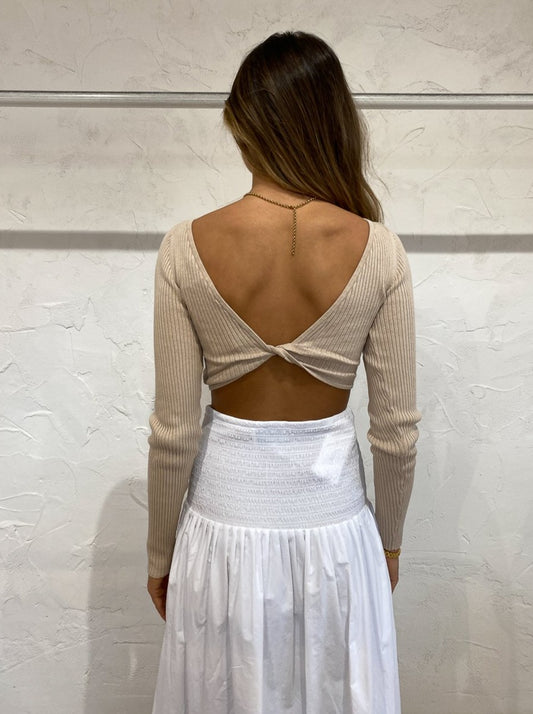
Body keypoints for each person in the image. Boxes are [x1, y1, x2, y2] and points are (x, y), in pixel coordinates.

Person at [146, 30, 421, 714]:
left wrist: (159, 554)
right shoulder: (380, 251)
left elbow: (173, 432)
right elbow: (395, 433)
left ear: (245, 126)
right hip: (336, 528)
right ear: (332, 124)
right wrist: (388, 545)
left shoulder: (185, 248)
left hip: (222, 523)